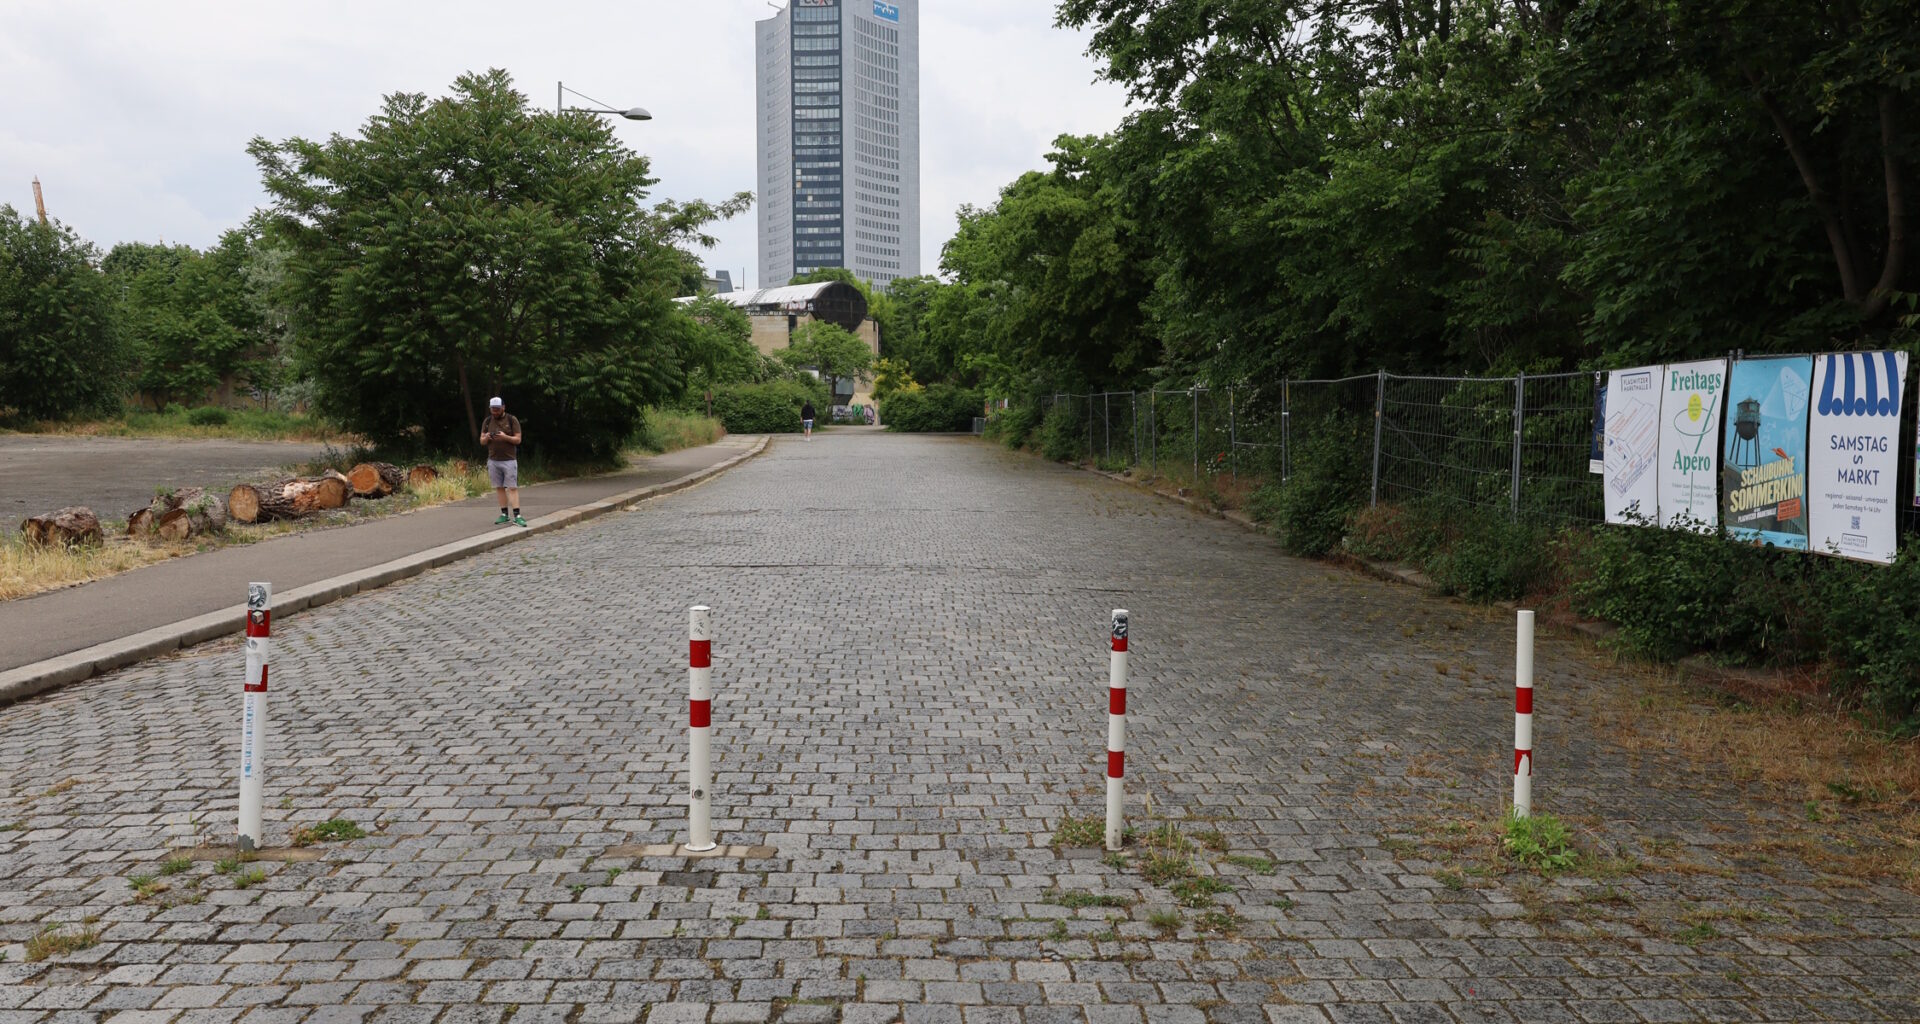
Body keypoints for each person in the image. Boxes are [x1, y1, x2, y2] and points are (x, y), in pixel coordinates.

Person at [480, 397, 525, 527]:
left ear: (503, 407)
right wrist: (487, 437)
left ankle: (517, 515)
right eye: (492, 409)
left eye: (497, 409)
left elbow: (518, 439)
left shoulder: (512, 420)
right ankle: (504, 514)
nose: (495, 412)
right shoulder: (487, 421)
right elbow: (481, 441)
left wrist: (505, 437)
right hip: (493, 460)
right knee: (499, 487)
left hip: (509, 460)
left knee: (512, 487)